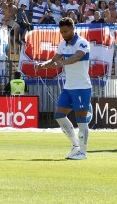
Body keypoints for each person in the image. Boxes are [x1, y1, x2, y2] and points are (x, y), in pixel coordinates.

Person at [38, 17, 91, 160]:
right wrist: (44, 65)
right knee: (59, 115)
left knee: (81, 120)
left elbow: (77, 57)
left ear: (73, 29)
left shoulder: (82, 43)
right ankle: (75, 146)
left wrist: (61, 63)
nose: (63, 34)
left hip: (82, 87)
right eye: (61, 32)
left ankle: (83, 153)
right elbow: (55, 60)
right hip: (68, 87)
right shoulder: (62, 43)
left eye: (66, 31)